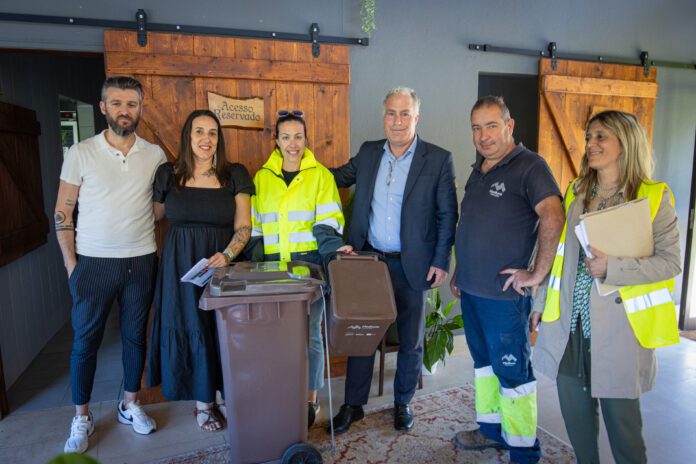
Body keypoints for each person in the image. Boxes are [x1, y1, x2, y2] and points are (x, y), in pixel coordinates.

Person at [532, 110, 681, 464]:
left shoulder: (653, 196)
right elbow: (559, 254)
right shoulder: (577, 191)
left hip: (620, 332)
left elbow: (670, 262)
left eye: (601, 136)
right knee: (577, 424)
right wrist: (540, 301)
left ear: (625, 142)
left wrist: (613, 268)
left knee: (624, 432)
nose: (591, 144)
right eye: (589, 137)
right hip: (569, 326)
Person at [328, 86, 458, 434]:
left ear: (416, 117)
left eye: (404, 114)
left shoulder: (438, 159)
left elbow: (448, 215)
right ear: (383, 116)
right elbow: (334, 177)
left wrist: (441, 260)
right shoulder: (369, 152)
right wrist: (297, 162)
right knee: (362, 335)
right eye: (391, 113)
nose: (397, 121)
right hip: (369, 262)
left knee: (411, 339)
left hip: (413, 264)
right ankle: (353, 405)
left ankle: (403, 403)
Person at [449, 95, 564, 463]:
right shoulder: (479, 169)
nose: (483, 136)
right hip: (472, 290)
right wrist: (461, 270)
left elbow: (553, 215)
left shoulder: (531, 167)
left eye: (492, 126)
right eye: (477, 128)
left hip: (504, 299)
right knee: (484, 367)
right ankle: (491, 431)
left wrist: (537, 273)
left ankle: (524, 451)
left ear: (509, 126)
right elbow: (473, 224)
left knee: (514, 375)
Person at [55, 76, 166, 454]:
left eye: (131, 104)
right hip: (93, 263)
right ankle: (82, 417)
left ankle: (129, 404)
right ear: (103, 107)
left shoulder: (155, 155)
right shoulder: (81, 152)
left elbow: (159, 209)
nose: (124, 111)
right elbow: (63, 209)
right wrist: (71, 264)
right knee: (85, 342)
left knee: (135, 337)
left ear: (140, 109)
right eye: (116, 103)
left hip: (140, 261)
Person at [147, 109, 253, 431]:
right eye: (199, 131)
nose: (206, 139)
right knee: (189, 324)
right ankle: (203, 403)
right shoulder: (168, 174)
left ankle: (225, 396)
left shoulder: (234, 174)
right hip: (179, 267)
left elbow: (244, 226)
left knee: (222, 330)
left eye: (212, 132)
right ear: (187, 136)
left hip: (221, 265)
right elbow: (151, 216)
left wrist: (228, 254)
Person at [246, 110, 351, 427]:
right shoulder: (262, 178)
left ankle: (310, 399)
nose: (293, 144)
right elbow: (256, 228)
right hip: (273, 268)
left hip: (310, 267)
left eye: (298, 137)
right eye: (286, 137)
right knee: (276, 334)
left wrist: (333, 252)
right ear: (276, 140)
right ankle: (282, 392)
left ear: (306, 140)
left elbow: (329, 222)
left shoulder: (321, 176)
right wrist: (256, 268)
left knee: (310, 336)